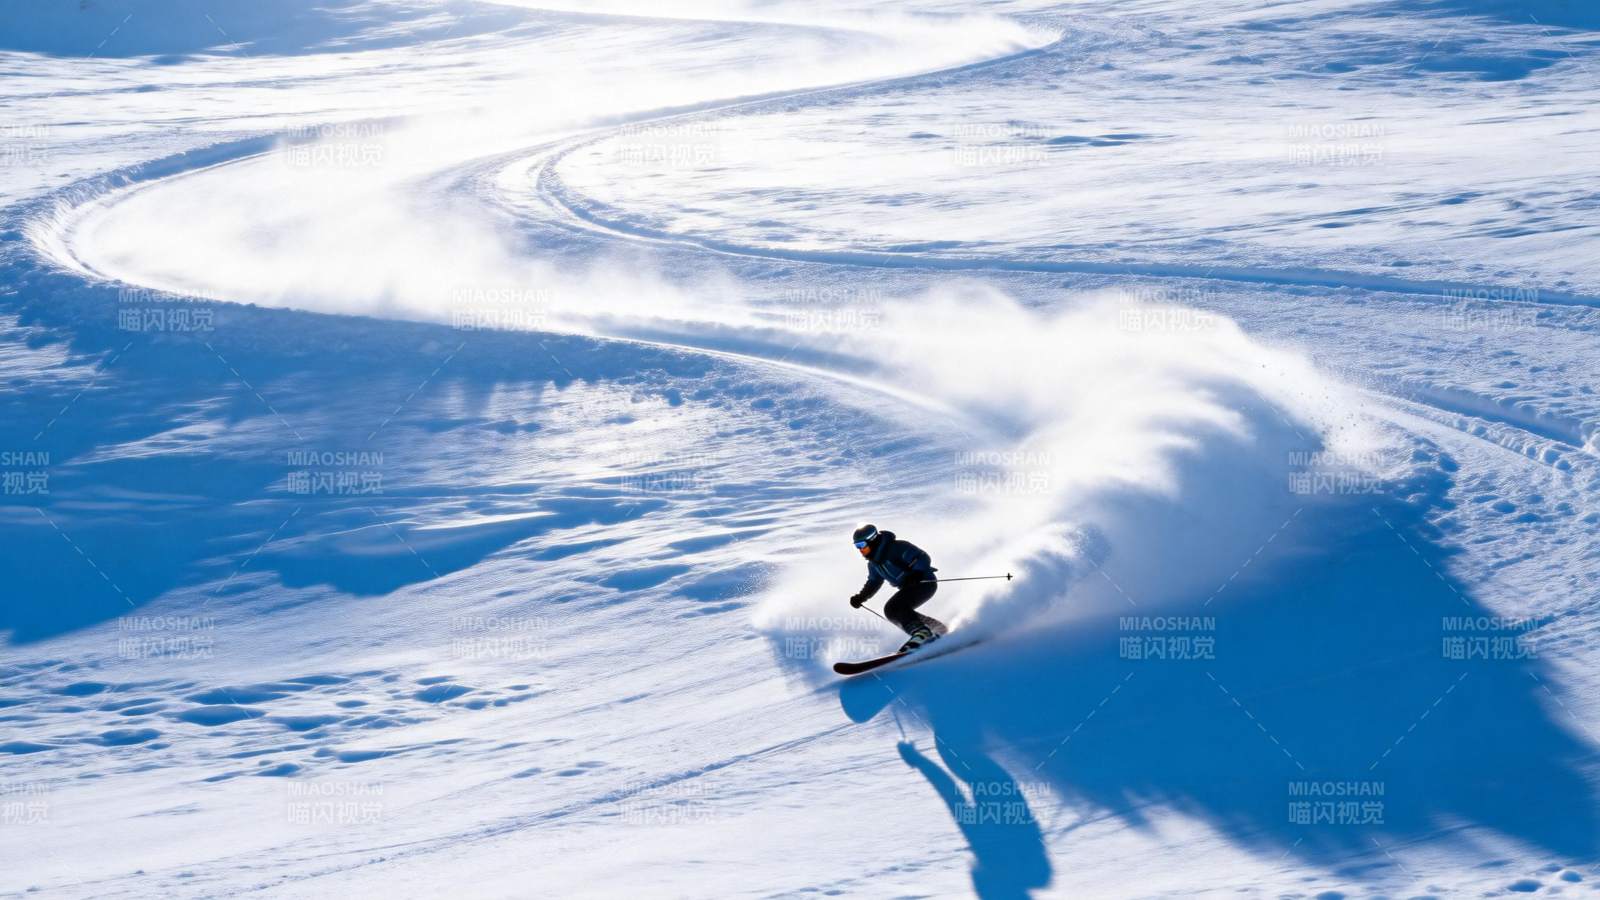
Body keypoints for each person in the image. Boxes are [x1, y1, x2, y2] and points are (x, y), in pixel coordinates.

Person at [848, 523, 945, 652]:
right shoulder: (874, 564)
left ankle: (922, 633)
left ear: (872, 541)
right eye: (857, 546)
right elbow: (874, 582)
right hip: (908, 588)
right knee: (894, 611)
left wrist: (917, 573)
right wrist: (861, 597)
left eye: (861, 545)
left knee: (895, 607)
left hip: (923, 583)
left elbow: (922, 557)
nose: (860, 550)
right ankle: (937, 628)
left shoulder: (897, 547)